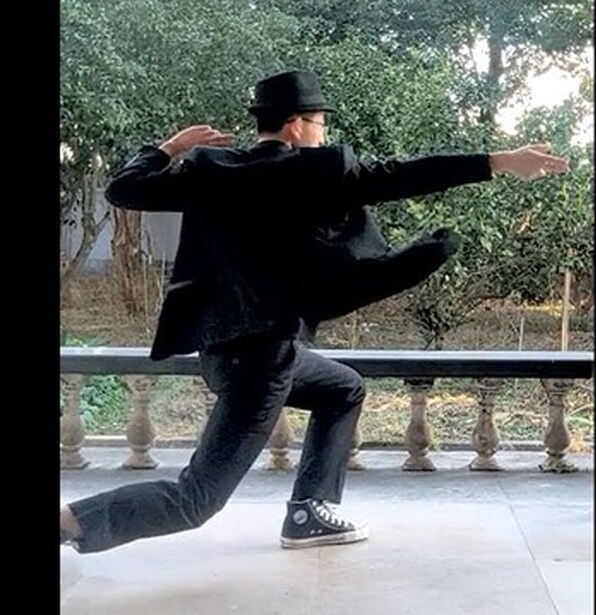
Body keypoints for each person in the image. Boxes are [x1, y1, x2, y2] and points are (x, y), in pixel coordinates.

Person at [60, 69, 568, 553]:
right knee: (196, 499)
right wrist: (499, 161)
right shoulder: (315, 172)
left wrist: (171, 147)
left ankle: (309, 512)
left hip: (226, 350)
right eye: (320, 123)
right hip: (260, 362)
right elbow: (402, 175)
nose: (323, 134)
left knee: (342, 388)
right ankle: (70, 521)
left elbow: (122, 188)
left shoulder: (212, 171)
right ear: (296, 124)